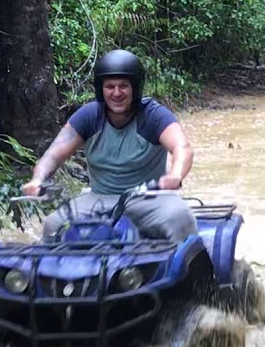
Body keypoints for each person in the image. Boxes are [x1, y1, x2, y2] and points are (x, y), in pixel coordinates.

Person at [21, 49, 198, 243]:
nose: (116, 93)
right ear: (101, 89)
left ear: (135, 88)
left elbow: (182, 147)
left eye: (123, 86)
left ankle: (187, 271)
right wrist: (38, 179)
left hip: (148, 199)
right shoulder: (89, 116)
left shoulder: (154, 116)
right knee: (53, 224)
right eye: (110, 86)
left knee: (180, 218)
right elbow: (53, 155)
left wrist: (175, 176)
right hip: (99, 199)